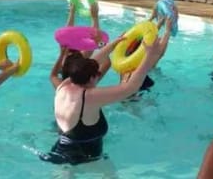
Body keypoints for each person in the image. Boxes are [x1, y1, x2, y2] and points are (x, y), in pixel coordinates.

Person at [39, 34, 166, 165]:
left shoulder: (65, 84)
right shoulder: (89, 96)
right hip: (84, 156)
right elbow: (131, 87)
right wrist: (149, 56)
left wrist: (114, 44)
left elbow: (93, 61)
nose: (99, 75)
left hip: (60, 150)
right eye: (97, 74)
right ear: (90, 78)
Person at [50, 3, 109, 89]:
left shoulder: (62, 89)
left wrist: (72, 12)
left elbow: (53, 75)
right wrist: (95, 17)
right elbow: (106, 60)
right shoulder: (90, 84)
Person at [120, 17, 173, 93]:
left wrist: (159, 25)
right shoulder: (144, 64)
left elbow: (144, 39)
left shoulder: (124, 63)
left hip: (125, 96)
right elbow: (159, 53)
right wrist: (167, 31)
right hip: (138, 99)